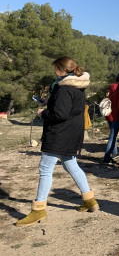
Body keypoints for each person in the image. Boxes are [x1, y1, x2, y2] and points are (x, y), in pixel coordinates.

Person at [16, 57, 98, 227]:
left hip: (59, 134)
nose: (54, 72)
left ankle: (38, 210)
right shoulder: (78, 86)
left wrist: (43, 113)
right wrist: (50, 103)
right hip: (72, 133)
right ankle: (90, 200)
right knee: (71, 165)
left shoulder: (63, 89)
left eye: (55, 69)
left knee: (45, 169)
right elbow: (68, 108)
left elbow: (60, 114)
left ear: (61, 70)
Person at [103, 71, 119, 163]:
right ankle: (107, 156)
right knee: (113, 136)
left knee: (113, 135)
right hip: (116, 115)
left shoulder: (112, 86)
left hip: (109, 113)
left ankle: (114, 153)